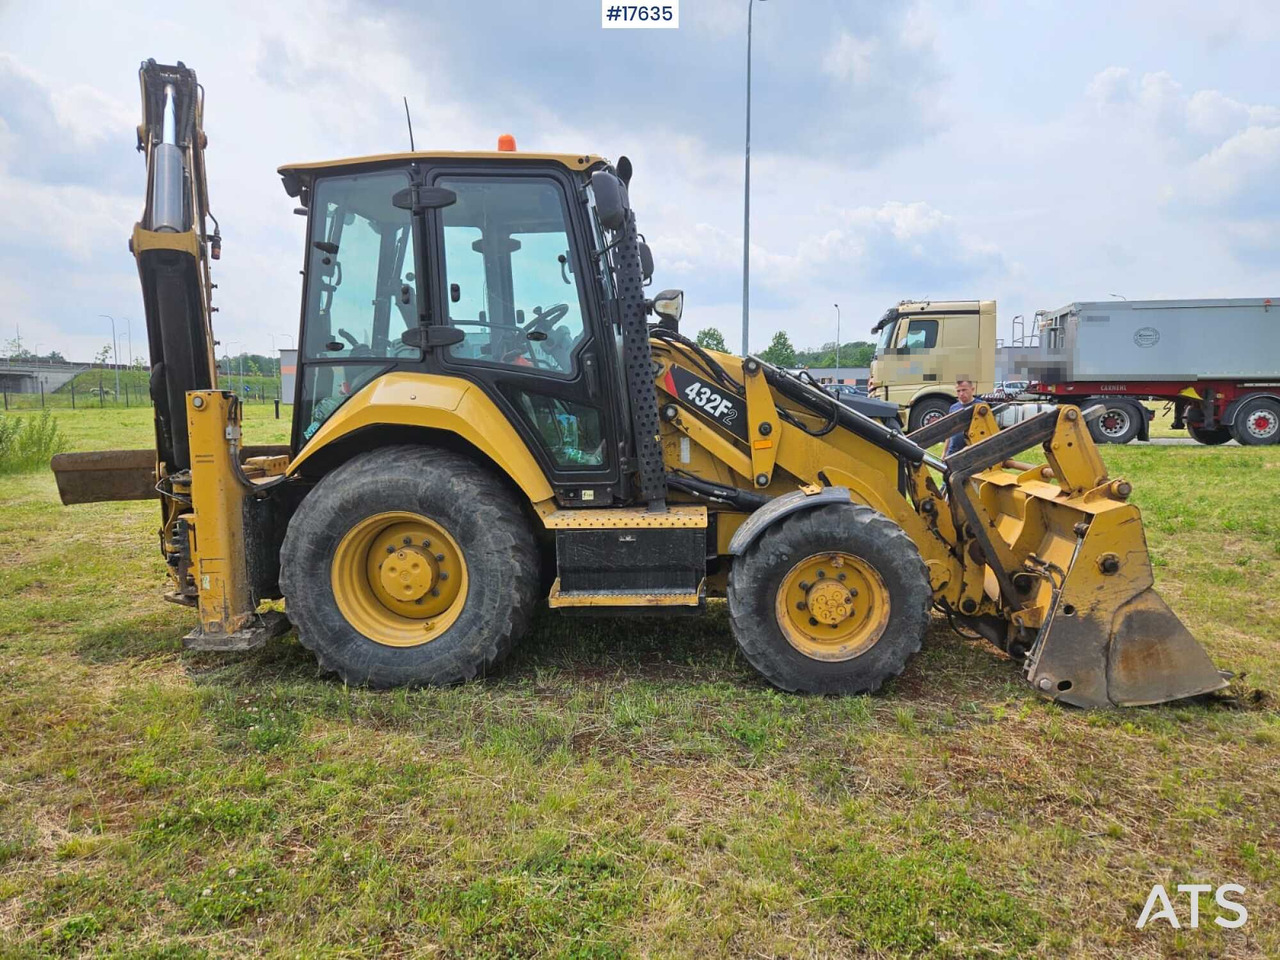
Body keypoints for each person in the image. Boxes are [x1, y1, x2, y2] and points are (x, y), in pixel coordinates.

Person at [945, 378, 977, 456]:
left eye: (964, 390)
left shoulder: (980, 406)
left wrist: (970, 447)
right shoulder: (953, 408)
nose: (961, 394)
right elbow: (949, 432)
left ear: (972, 389)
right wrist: (944, 452)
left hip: (972, 451)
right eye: (958, 391)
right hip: (953, 451)